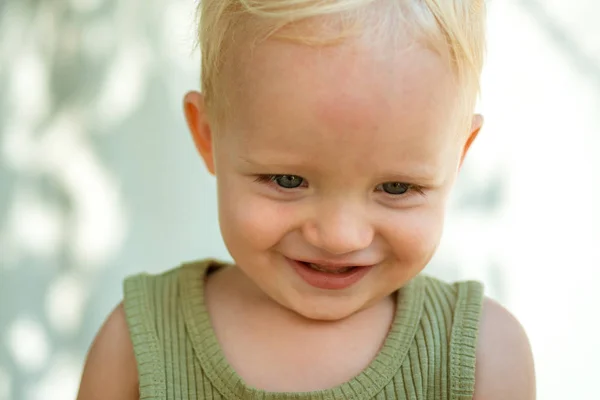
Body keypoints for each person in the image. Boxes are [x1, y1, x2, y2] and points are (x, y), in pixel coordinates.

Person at [77, 0, 536, 399]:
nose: (339, 237)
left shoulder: (483, 358)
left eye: (396, 188)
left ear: (458, 158)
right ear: (207, 136)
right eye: (287, 180)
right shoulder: (137, 347)